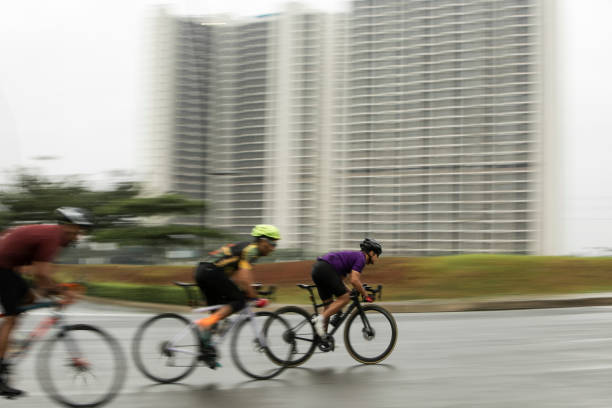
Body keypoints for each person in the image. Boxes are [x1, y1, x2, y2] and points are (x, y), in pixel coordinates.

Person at [0, 207, 92, 397]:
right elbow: (41, 275)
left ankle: (8, 339)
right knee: (11, 318)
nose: (79, 236)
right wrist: (62, 291)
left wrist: (51, 291)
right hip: (2, 268)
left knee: (29, 299)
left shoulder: (49, 234)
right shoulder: (53, 238)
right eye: (79, 231)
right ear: (69, 227)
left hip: (6, 267)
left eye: (81, 232)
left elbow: (36, 278)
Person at [194, 224, 280, 342]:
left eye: (275, 245)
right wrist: (254, 297)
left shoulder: (245, 248)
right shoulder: (252, 250)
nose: (273, 248)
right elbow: (244, 275)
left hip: (202, 271)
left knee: (219, 312)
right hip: (211, 272)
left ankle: (206, 353)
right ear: (262, 240)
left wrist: (248, 289)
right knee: (239, 301)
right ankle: (207, 324)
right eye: (272, 244)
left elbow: (234, 277)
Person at [310, 238, 382, 338]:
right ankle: (320, 319)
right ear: (371, 252)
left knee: (329, 306)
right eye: (377, 255)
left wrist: (351, 291)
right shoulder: (361, 258)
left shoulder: (353, 257)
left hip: (318, 269)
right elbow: (354, 280)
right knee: (345, 298)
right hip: (325, 269)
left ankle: (323, 338)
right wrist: (365, 294)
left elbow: (339, 281)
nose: (377, 258)